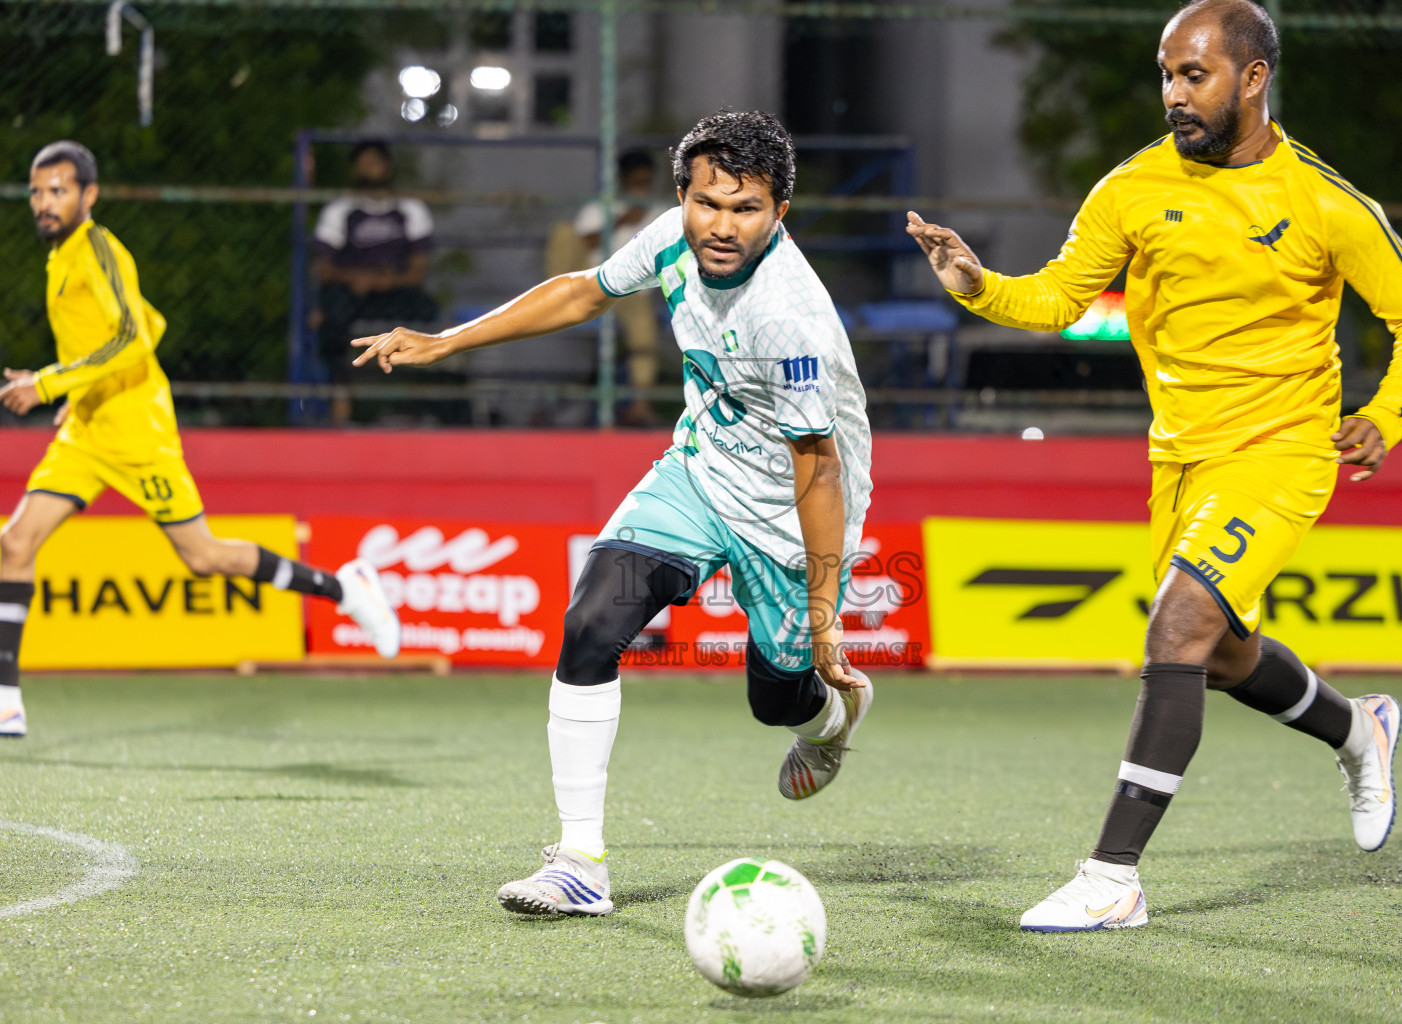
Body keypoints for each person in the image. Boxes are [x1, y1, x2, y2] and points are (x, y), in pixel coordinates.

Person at [910, 0, 1402, 932]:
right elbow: (1060, 297)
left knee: (1179, 624)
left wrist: (1386, 416)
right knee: (1222, 655)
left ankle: (1112, 876)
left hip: (1282, 450)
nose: (1174, 94)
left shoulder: (1324, 201)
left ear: (1253, 78)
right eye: (1167, 74)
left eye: (1195, 75)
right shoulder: (1132, 187)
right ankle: (1359, 730)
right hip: (1181, 458)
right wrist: (979, 284)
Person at [353, 111, 875, 917]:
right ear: (682, 195)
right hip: (700, 473)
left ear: (779, 212)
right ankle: (580, 863)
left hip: (789, 511)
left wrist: (824, 613)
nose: (722, 226)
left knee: (777, 699)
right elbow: (584, 291)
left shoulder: (789, 318)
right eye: (707, 203)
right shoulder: (672, 238)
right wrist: (446, 342)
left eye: (746, 209)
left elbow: (821, 470)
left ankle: (837, 716)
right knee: (592, 621)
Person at [0, 141, 401, 739]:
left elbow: (135, 338)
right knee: (15, 543)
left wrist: (50, 383)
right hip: (87, 431)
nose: (43, 203)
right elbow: (152, 320)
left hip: (140, 435)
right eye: (36, 192)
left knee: (205, 556)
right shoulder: (60, 256)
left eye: (58, 191)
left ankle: (345, 587)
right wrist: (79, 393)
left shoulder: (98, 248)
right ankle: (6, 698)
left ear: (89, 195)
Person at [543, 150, 670, 425]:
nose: (641, 189)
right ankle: (552, 296)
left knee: (643, 327)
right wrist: (621, 220)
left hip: (631, 287)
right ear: (623, 180)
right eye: (636, 182)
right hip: (589, 279)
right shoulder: (600, 209)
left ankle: (640, 403)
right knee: (563, 231)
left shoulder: (662, 213)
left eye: (646, 182)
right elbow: (582, 243)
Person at [312, 141, 438, 395]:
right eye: (362, 164)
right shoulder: (340, 210)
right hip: (352, 294)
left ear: (387, 167)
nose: (367, 169)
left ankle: (419, 393)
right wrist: (358, 278)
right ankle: (341, 395)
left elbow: (418, 270)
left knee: (428, 311)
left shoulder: (410, 209)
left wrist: (387, 281)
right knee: (332, 317)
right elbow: (323, 268)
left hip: (395, 293)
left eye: (373, 163)